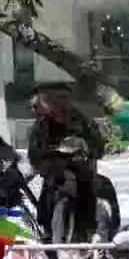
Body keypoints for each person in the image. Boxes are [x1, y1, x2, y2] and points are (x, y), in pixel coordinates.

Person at [29, 84, 104, 236]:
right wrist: (52, 164)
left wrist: (84, 151)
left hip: (83, 179)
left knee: (93, 207)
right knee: (50, 211)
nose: (59, 103)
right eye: (54, 98)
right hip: (55, 179)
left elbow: (98, 148)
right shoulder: (42, 127)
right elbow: (35, 156)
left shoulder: (84, 123)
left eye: (63, 98)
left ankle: (89, 235)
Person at [49, 138, 119, 259]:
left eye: (70, 156)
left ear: (83, 156)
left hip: (95, 258)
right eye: (62, 156)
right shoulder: (57, 184)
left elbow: (112, 223)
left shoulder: (101, 185)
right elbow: (54, 226)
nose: (65, 160)